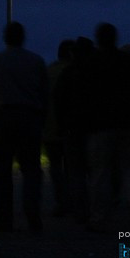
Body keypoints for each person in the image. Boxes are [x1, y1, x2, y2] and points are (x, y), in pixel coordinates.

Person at [0, 21, 49, 232]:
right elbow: (45, 94)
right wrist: (40, 118)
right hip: (29, 117)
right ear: (23, 37)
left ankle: (4, 219)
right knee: (31, 170)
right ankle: (32, 214)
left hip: (3, 117)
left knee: (2, 171)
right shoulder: (36, 61)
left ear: (5, 37)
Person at [83, 22, 130, 232]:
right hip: (129, 123)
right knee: (128, 169)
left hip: (102, 125)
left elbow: (85, 95)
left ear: (98, 39)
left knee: (100, 173)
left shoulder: (92, 63)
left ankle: (98, 217)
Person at [53, 35, 94, 223]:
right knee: (94, 169)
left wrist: (62, 126)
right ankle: (97, 206)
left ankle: (78, 209)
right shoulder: (96, 72)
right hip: (93, 128)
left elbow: (59, 102)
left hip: (71, 128)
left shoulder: (66, 73)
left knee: (73, 171)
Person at [44, 39, 76, 216]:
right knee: (73, 167)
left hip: (50, 127)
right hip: (71, 127)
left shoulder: (49, 71)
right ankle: (75, 200)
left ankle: (61, 201)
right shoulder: (74, 72)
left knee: (55, 167)